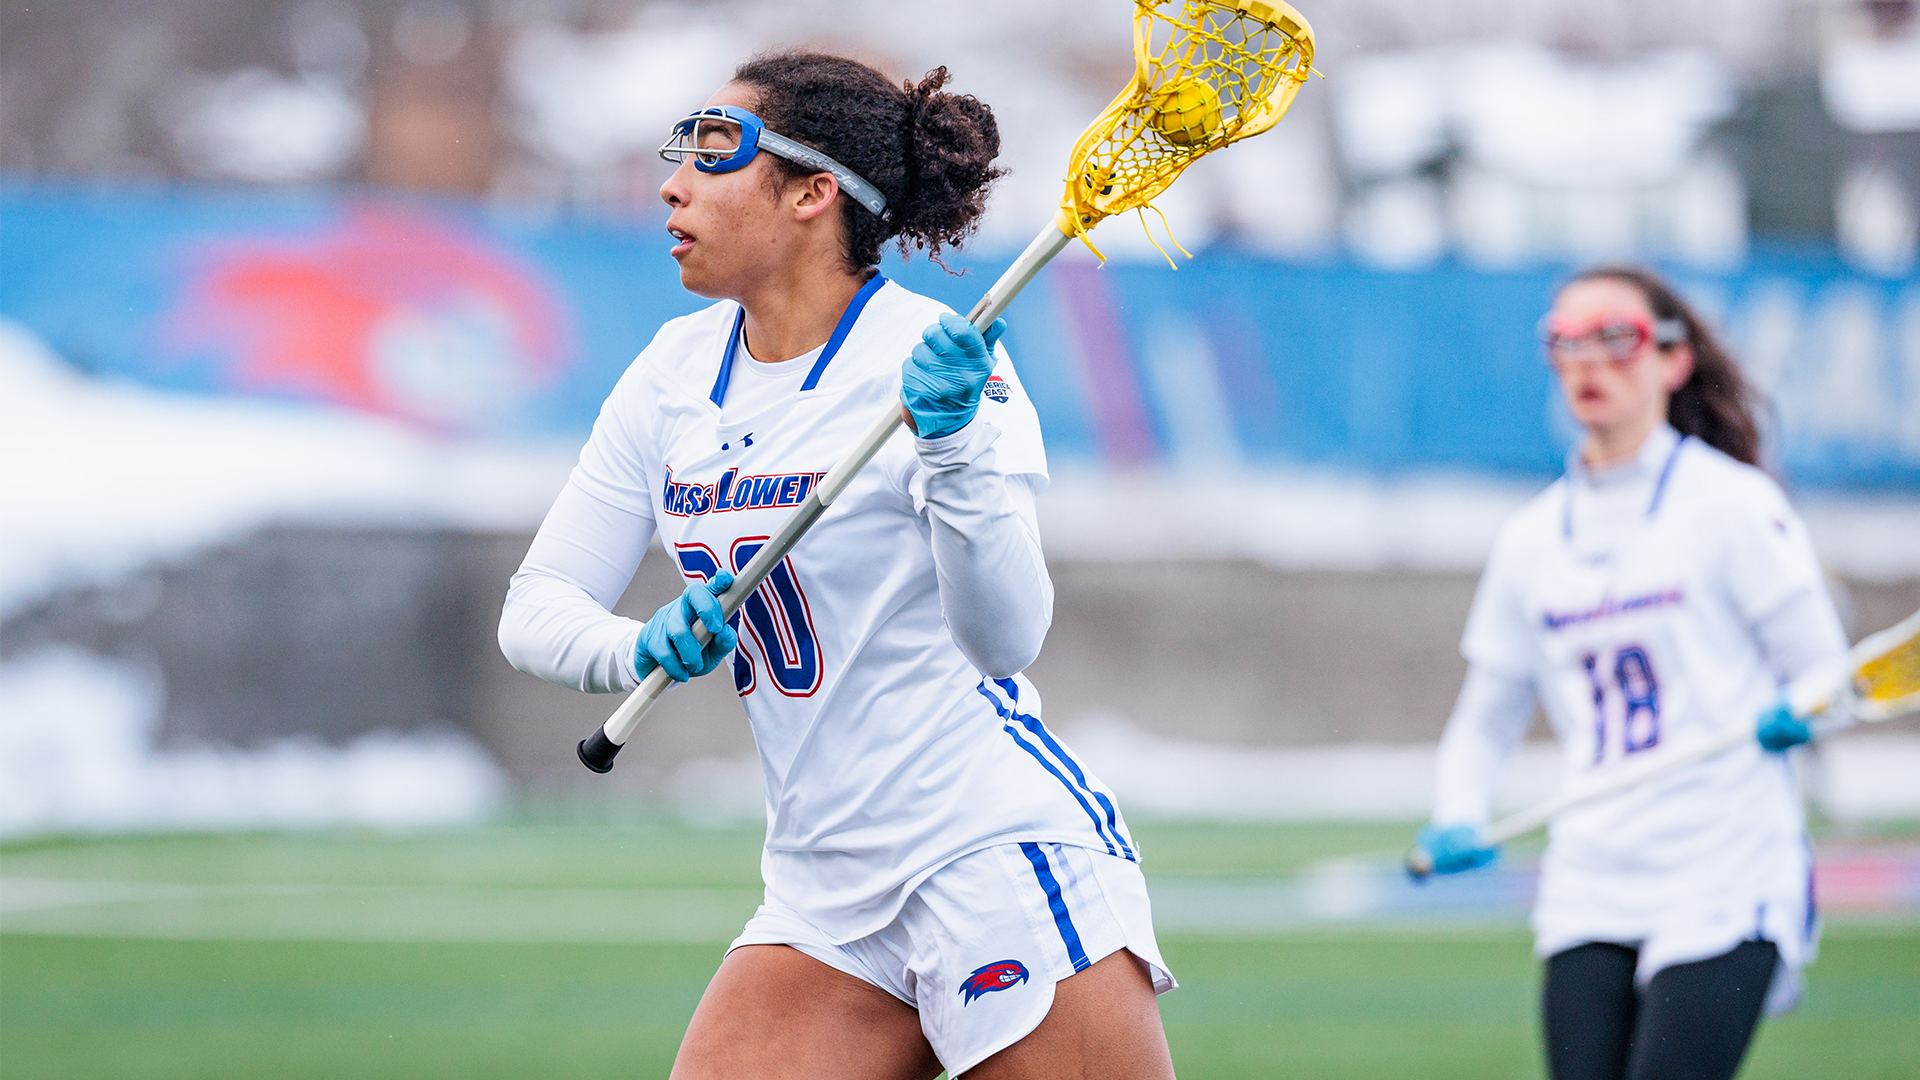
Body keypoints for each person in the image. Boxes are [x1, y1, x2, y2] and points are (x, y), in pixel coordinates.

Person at [497, 52, 1176, 1079]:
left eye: (717, 155)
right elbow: (536, 607)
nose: (675, 184)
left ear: (815, 194)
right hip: (821, 889)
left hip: (990, 848)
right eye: (676, 152)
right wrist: (633, 642)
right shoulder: (672, 374)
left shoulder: (935, 362)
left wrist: (952, 450)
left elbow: (1007, 639)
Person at [1413, 265, 1848, 1080]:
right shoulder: (1531, 538)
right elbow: (1488, 714)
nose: (1589, 362)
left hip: (1724, 868)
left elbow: (1830, 676)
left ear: (1672, 360)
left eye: (1616, 338)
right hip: (1591, 876)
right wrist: (1458, 810)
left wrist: (1801, 710)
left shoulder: (1733, 506)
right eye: (1565, 343)